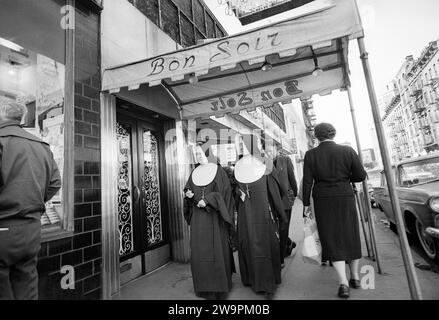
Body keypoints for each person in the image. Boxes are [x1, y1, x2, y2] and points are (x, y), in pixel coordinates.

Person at [0, 100, 61, 300]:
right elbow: (55, 183)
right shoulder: (41, 145)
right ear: (23, 118)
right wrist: (35, 200)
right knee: (27, 289)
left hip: (3, 228)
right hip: (31, 230)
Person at [302, 123, 367, 299]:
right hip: (345, 196)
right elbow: (361, 175)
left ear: (316, 136)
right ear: (334, 133)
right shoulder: (348, 151)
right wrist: (345, 178)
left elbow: (307, 182)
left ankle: (343, 283)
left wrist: (306, 204)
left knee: (331, 237)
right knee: (350, 234)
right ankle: (355, 277)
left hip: (323, 199)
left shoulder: (310, 155)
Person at [233, 134, 286, 299]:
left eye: (244, 144)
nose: (242, 148)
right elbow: (234, 188)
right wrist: (238, 192)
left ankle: (267, 284)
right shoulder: (239, 165)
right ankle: (251, 279)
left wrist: (280, 213)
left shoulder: (266, 162)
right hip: (245, 213)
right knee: (247, 243)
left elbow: (276, 188)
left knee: (265, 245)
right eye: (240, 145)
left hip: (263, 211)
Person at [183, 143, 235, 300]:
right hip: (199, 221)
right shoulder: (194, 173)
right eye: (195, 154)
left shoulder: (219, 171)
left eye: (200, 153)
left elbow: (225, 195)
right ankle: (204, 287)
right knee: (200, 253)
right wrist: (188, 194)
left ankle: (219, 288)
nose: (198, 156)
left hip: (215, 220)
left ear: (207, 153)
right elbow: (187, 190)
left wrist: (208, 200)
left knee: (216, 251)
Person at [266, 143, 298, 267]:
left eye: (270, 150)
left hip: (285, 200)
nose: (269, 153)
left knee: (283, 228)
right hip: (272, 201)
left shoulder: (285, 160)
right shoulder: (264, 163)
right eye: (266, 151)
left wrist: (294, 194)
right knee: (275, 228)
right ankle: (288, 243)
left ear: (276, 149)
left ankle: (280, 259)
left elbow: (292, 177)